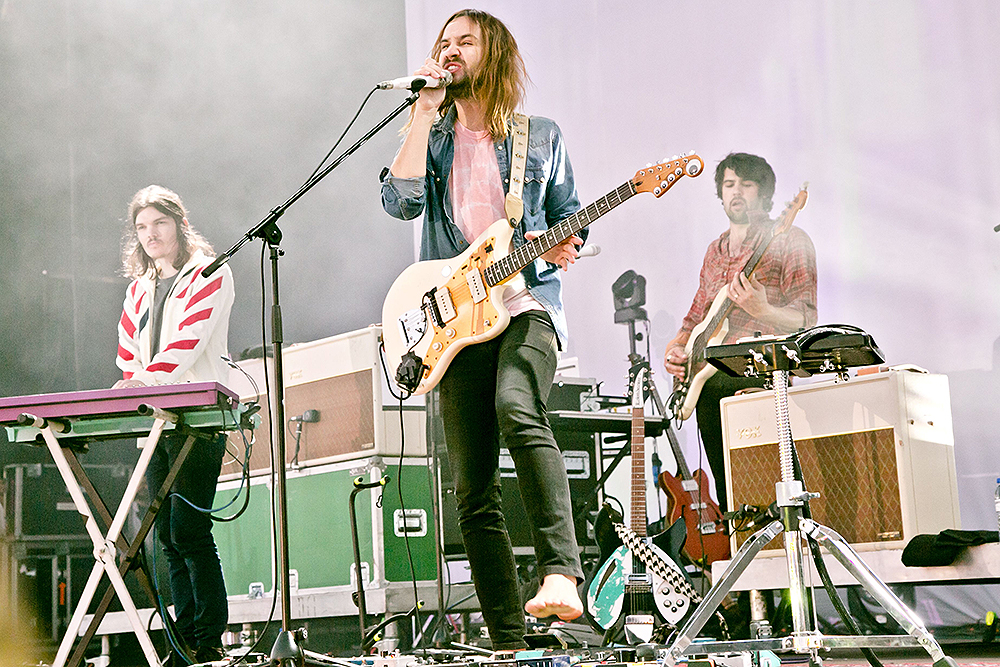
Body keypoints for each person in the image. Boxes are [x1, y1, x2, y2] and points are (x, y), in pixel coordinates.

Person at [380, 9, 586, 651]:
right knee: (471, 484)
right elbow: (400, 201)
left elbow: (570, 219)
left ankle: (560, 573)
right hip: (454, 320)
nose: (450, 52)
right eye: (444, 43)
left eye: (464, 42)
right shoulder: (435, 139)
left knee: (518, 408)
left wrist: (563, 244)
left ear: (492, 54)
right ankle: (509, 638)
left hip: (525, 308)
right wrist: (420, 113)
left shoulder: (540, 136)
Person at [115, 185, 235, 663]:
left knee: (188, 529)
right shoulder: (138, 289)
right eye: (142, 228)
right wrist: (133, 386)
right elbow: (128, 352)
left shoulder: (210, 273)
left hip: (197, 417)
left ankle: (207, 639)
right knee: (164, 534)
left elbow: (187, 343)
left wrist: (140, 383)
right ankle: (182, 642)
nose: (150, 235)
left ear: (179, 224)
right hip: (156, 421)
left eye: (158, 223)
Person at [663, 153, 817, 512]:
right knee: (730, 493)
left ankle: (788, 557)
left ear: (765, 195)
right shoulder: (714, 251)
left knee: (770, 487)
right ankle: (741, 560)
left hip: (757, 380)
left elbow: (806, 319)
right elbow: (695, 318)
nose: (737, 192)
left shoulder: (790, 239)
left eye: (747, 184)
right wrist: (677, 350)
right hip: (706, 386)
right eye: (729, 184)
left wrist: (765, 311)